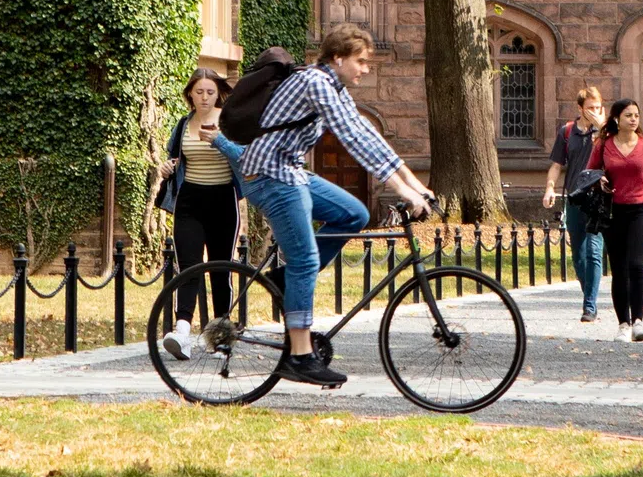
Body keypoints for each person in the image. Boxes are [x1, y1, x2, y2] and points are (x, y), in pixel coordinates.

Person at [221, 27, 436, 387]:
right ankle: (300, 356)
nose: (366, 69)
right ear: (338, 58)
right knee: (304, 259)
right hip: (268, 176)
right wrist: (403, 190)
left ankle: (286, 282)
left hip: (290, 171)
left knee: (354, 214)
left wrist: (416, 186)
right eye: (361, 61)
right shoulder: (315, 82)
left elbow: (368, 135)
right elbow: (351, 140)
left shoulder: (333, 87)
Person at [155, 68, 239, 355]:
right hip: (190, 201)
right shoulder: (183, 124)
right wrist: (167, 167)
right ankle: (182, 333)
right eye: (199, 92)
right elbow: (174, 158)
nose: (204, 97)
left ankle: (220, 335)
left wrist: (219, 141)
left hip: (223, 201)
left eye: (210, 92)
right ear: (190, 93)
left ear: (219, 94)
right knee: (189, 266)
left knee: (220, 267)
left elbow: (243, 161)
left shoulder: (228, 123)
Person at [586, 98, 643, 340]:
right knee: (619, 269)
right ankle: (623, 324)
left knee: (636, 265)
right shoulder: (604, 144)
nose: (634, 119)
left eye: (636, 115)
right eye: (628, 116)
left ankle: (638, 322)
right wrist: (599, 179)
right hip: (613, 212)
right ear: (616, 119)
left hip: (641, 210)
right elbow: (589, 173)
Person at [541, 87, 612, 322]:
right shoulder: (567, 132)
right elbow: (556, 164)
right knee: (578, 256)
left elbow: (615, 152)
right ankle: (588, 296)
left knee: (594, 252)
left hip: (598, 199)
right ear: (580, 108)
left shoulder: (607, 132)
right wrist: (550, 187)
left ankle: (589, 306)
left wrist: (602, 126)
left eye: (598, 107)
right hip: (574, 198)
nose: (594, 112)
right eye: (590, 108)